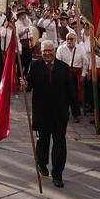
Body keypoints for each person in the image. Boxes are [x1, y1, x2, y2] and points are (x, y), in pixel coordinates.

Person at [23, 39, 75, 188]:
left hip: (60, 113)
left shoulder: (64, 68)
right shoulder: (35, 66)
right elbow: (29, 85)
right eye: (45, 51)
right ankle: (42, 163)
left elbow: (70, 90)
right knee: (43, 143)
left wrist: (76, 112)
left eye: (50, 50)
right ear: (41, 51)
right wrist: (25, 84)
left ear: (54, 50)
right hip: (42, 112)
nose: (47, 53)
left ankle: (57, 174)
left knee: (60, 144)